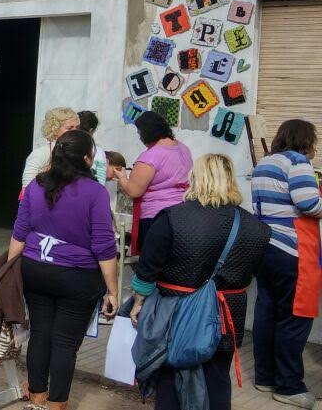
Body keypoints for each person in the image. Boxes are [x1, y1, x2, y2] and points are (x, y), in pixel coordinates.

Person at [129, 154, 270, 410]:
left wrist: (139, 302)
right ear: (231, 180)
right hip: (227, 314)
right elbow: (254, 270)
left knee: (171, 377)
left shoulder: (172, 218)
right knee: (218, 377)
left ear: (195, 178)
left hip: (176, 312)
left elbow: (148, 268)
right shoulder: (257, 228)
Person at [9, 130, 117, 410]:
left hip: (35, 270)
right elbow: (104, 246)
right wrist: (113, 290)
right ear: (87, 158)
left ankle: (37, 398)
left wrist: (11, 271)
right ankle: (57, 404)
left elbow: (20, 232)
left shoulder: (36, 185)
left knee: (40, 334)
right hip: (76, 277)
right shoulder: (95, 192)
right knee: (65, 343)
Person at [251, 119, 322, 408]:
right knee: (295, 317)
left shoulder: (265, 163)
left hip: (263, 247)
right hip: (292, 249)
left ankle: (265, 377)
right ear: (306, 140)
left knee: (267, 312)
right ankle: (289, 386)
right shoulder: (298, 162)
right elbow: (309, 205)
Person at [115, 110, 193, 254]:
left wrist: (122, 178)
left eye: (139, 133)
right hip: (184, 214)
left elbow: (134, 191)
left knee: (152, 261)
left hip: (156, 217)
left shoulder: (150, 157)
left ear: (146, 133)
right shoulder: (184, 149)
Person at [21, 107, 80, 192]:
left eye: (77, 127)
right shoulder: (40, 154)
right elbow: (28, 189)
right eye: (69, 128)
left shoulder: (79, 153)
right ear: (55, 129)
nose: (75, 132)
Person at [78, 110, 107, 184]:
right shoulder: (98, 151)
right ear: (91, 130)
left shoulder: (68, 146)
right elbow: (101, 180)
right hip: (93, 188)